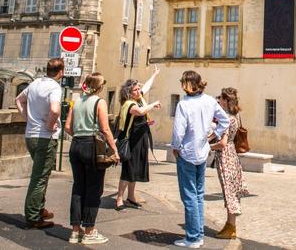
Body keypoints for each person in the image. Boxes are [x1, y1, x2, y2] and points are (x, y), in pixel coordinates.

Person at [172, 71, 230, 248]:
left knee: (189, 196)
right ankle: (198, 234)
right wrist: (213, 135)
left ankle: (192, 237)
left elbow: (178, 131)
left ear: (187, 85)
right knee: (198, 195)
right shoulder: (210, 101)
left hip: (187, 153)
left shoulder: (183, 104)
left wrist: (176, 147)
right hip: (203, 152)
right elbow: (225, 121)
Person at [64, 73, 119, 245]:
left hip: (76, 145)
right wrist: (114, 150)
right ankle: (89, 230)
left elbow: (67, 126)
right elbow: (105, 129)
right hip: (91, 146)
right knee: (94, 188)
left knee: (78, 187)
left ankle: (75, 231)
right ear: (99, 86)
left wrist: (78, 135)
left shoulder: (77, 101)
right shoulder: (99, 102)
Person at [15, 57, 63, 229]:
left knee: (40, 175)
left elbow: (18, 100)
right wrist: (50, 126)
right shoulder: (55, 87)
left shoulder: (35, 83)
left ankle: (39, 208)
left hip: (30, 135)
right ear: (61, 72)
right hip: (44, 138)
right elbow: (55, 110)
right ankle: (33, 217)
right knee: (40, 178)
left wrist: (27, 118)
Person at [115, 66, 161, 210]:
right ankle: (119, 199)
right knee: (128, 169)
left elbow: (146, 87)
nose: (138, 92)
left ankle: (131, 196)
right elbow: (140, 111)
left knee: (135, 168)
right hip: (131, 140)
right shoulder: (130, 104)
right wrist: (153, 104)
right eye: (135, 90)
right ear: (129, 93)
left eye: (137, 89)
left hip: (140, 138)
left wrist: (154, 74)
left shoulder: (138, 97)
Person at [210, 88, 248, 240]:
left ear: (225, 101)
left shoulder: (226, 118)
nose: (219, 101)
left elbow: (223, 143)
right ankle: (229, 224)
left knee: (228, 190)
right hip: (233, 155)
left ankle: (231, 227)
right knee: (232, 189)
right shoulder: (236, 115)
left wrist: (208, 147)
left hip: (225, 156)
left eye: (220, 99)